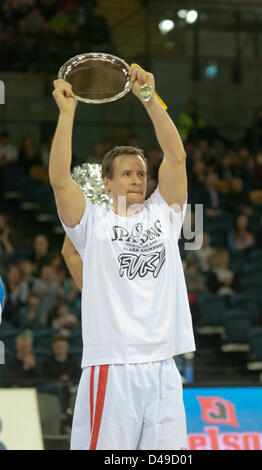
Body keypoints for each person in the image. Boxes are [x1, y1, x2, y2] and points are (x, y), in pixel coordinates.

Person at [49, 65, 195, 450]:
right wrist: (67, 116)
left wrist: (148, 97)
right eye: (127, 173)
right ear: (107, 182)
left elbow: (177, 158)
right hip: (112, 365)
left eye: (141, 173)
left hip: (163, 365)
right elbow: (60, 181)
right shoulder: (91, 223)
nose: (137, 179)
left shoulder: (165, 216)